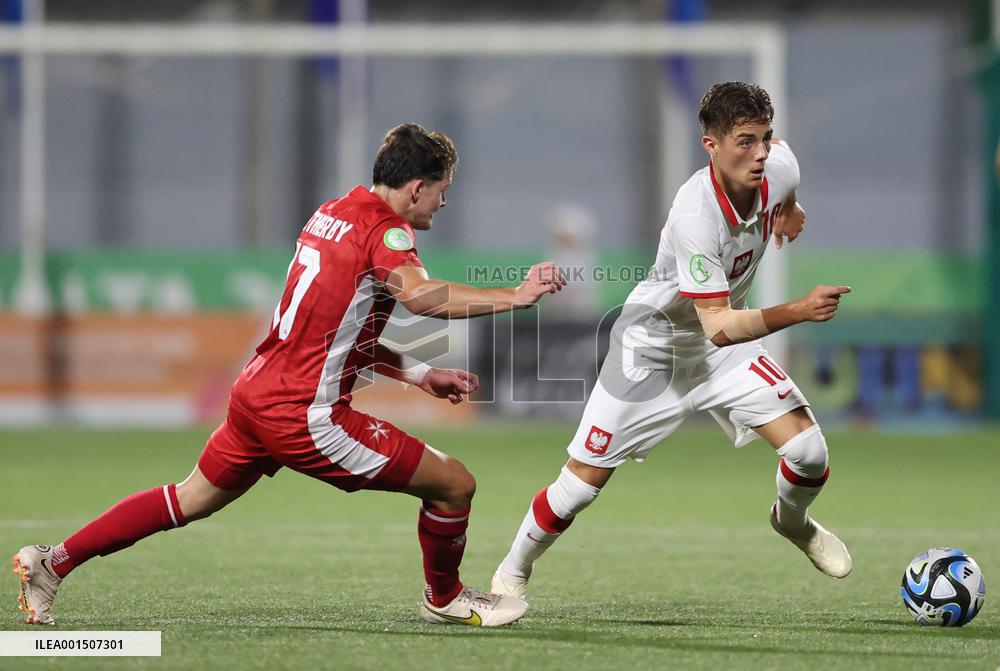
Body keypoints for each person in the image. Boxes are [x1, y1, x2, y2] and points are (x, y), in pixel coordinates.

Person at [13, 123, 566, 628]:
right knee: (454, 485)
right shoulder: (387, 232)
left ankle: (53, 562)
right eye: (443, 189)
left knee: (190, 498)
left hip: (256, 392)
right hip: (303, 414)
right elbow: (420, 297)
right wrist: (516, 296)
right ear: (418, 187)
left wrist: (417, 373)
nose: (444, 202)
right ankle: (444, 597)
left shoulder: (333, 212)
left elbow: (333, 328)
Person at [490, 82, 853, 608]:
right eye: (745, 142)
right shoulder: (694, 217)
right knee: (581, 485)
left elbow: (784, 182)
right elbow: (720, 325)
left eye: (765, 138)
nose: (759, 154)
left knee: (809, 452)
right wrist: (798, 310)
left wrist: (791, 208)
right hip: (652, 349)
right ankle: (512, 571)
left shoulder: (779, 167)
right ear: (711, 145)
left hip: (718, 350)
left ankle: (793, 521)